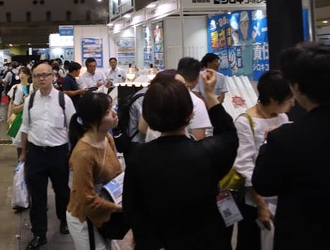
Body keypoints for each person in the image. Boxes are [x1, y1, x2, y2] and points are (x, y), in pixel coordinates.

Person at [123, 69, 238, 250]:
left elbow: (132, 209)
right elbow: (229, 134)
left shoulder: (138, 157)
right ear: (190, 114)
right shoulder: (208, 153)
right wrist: (210, 94)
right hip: (206, 241)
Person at [253, 42, 330, 249]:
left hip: (302, 237)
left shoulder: (284, 138)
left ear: (296, 87)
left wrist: (266, 143)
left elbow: (264, 185)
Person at [232, 70, 293, 250]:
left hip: (278, 197)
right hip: (255, 201)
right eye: (289, 99)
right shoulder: (245, 122)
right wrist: (260, 204)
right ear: (273, 99)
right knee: (252, 242)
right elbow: (245, 166)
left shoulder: (283, 117)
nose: (293, 102)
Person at [19, 61, 76, 250]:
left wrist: (73, 154)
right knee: (37, 196)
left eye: (46, 74)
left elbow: (73, 128)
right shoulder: (30, 100)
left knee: (62, 191)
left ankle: (64, 220)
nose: (42, 78)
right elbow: (25, 128)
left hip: (59, 153)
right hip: (36, 154)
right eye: (37, 76)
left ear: (53, 76)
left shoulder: (63, 100)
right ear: (33, 78)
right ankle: (39, 233)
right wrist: (23, 153)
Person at [66, 92, 122, 250]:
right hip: (85, 219)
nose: (114, 114)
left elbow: (117, 175)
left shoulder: (107, 139)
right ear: (93, 121)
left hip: (104, 212)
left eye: (112, 108)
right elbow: (88, 201)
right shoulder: (84, 154)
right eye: (107, 112)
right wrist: (121, 208)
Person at [6, 66, 32, 159]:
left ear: (28, 75)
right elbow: (11, 103)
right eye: (20, 73)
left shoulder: (31, 87)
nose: (21, 75)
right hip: (17, 116)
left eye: (24, 73)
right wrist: (9, 117)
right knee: (18, 140)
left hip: (28, 116)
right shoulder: (15, 87)